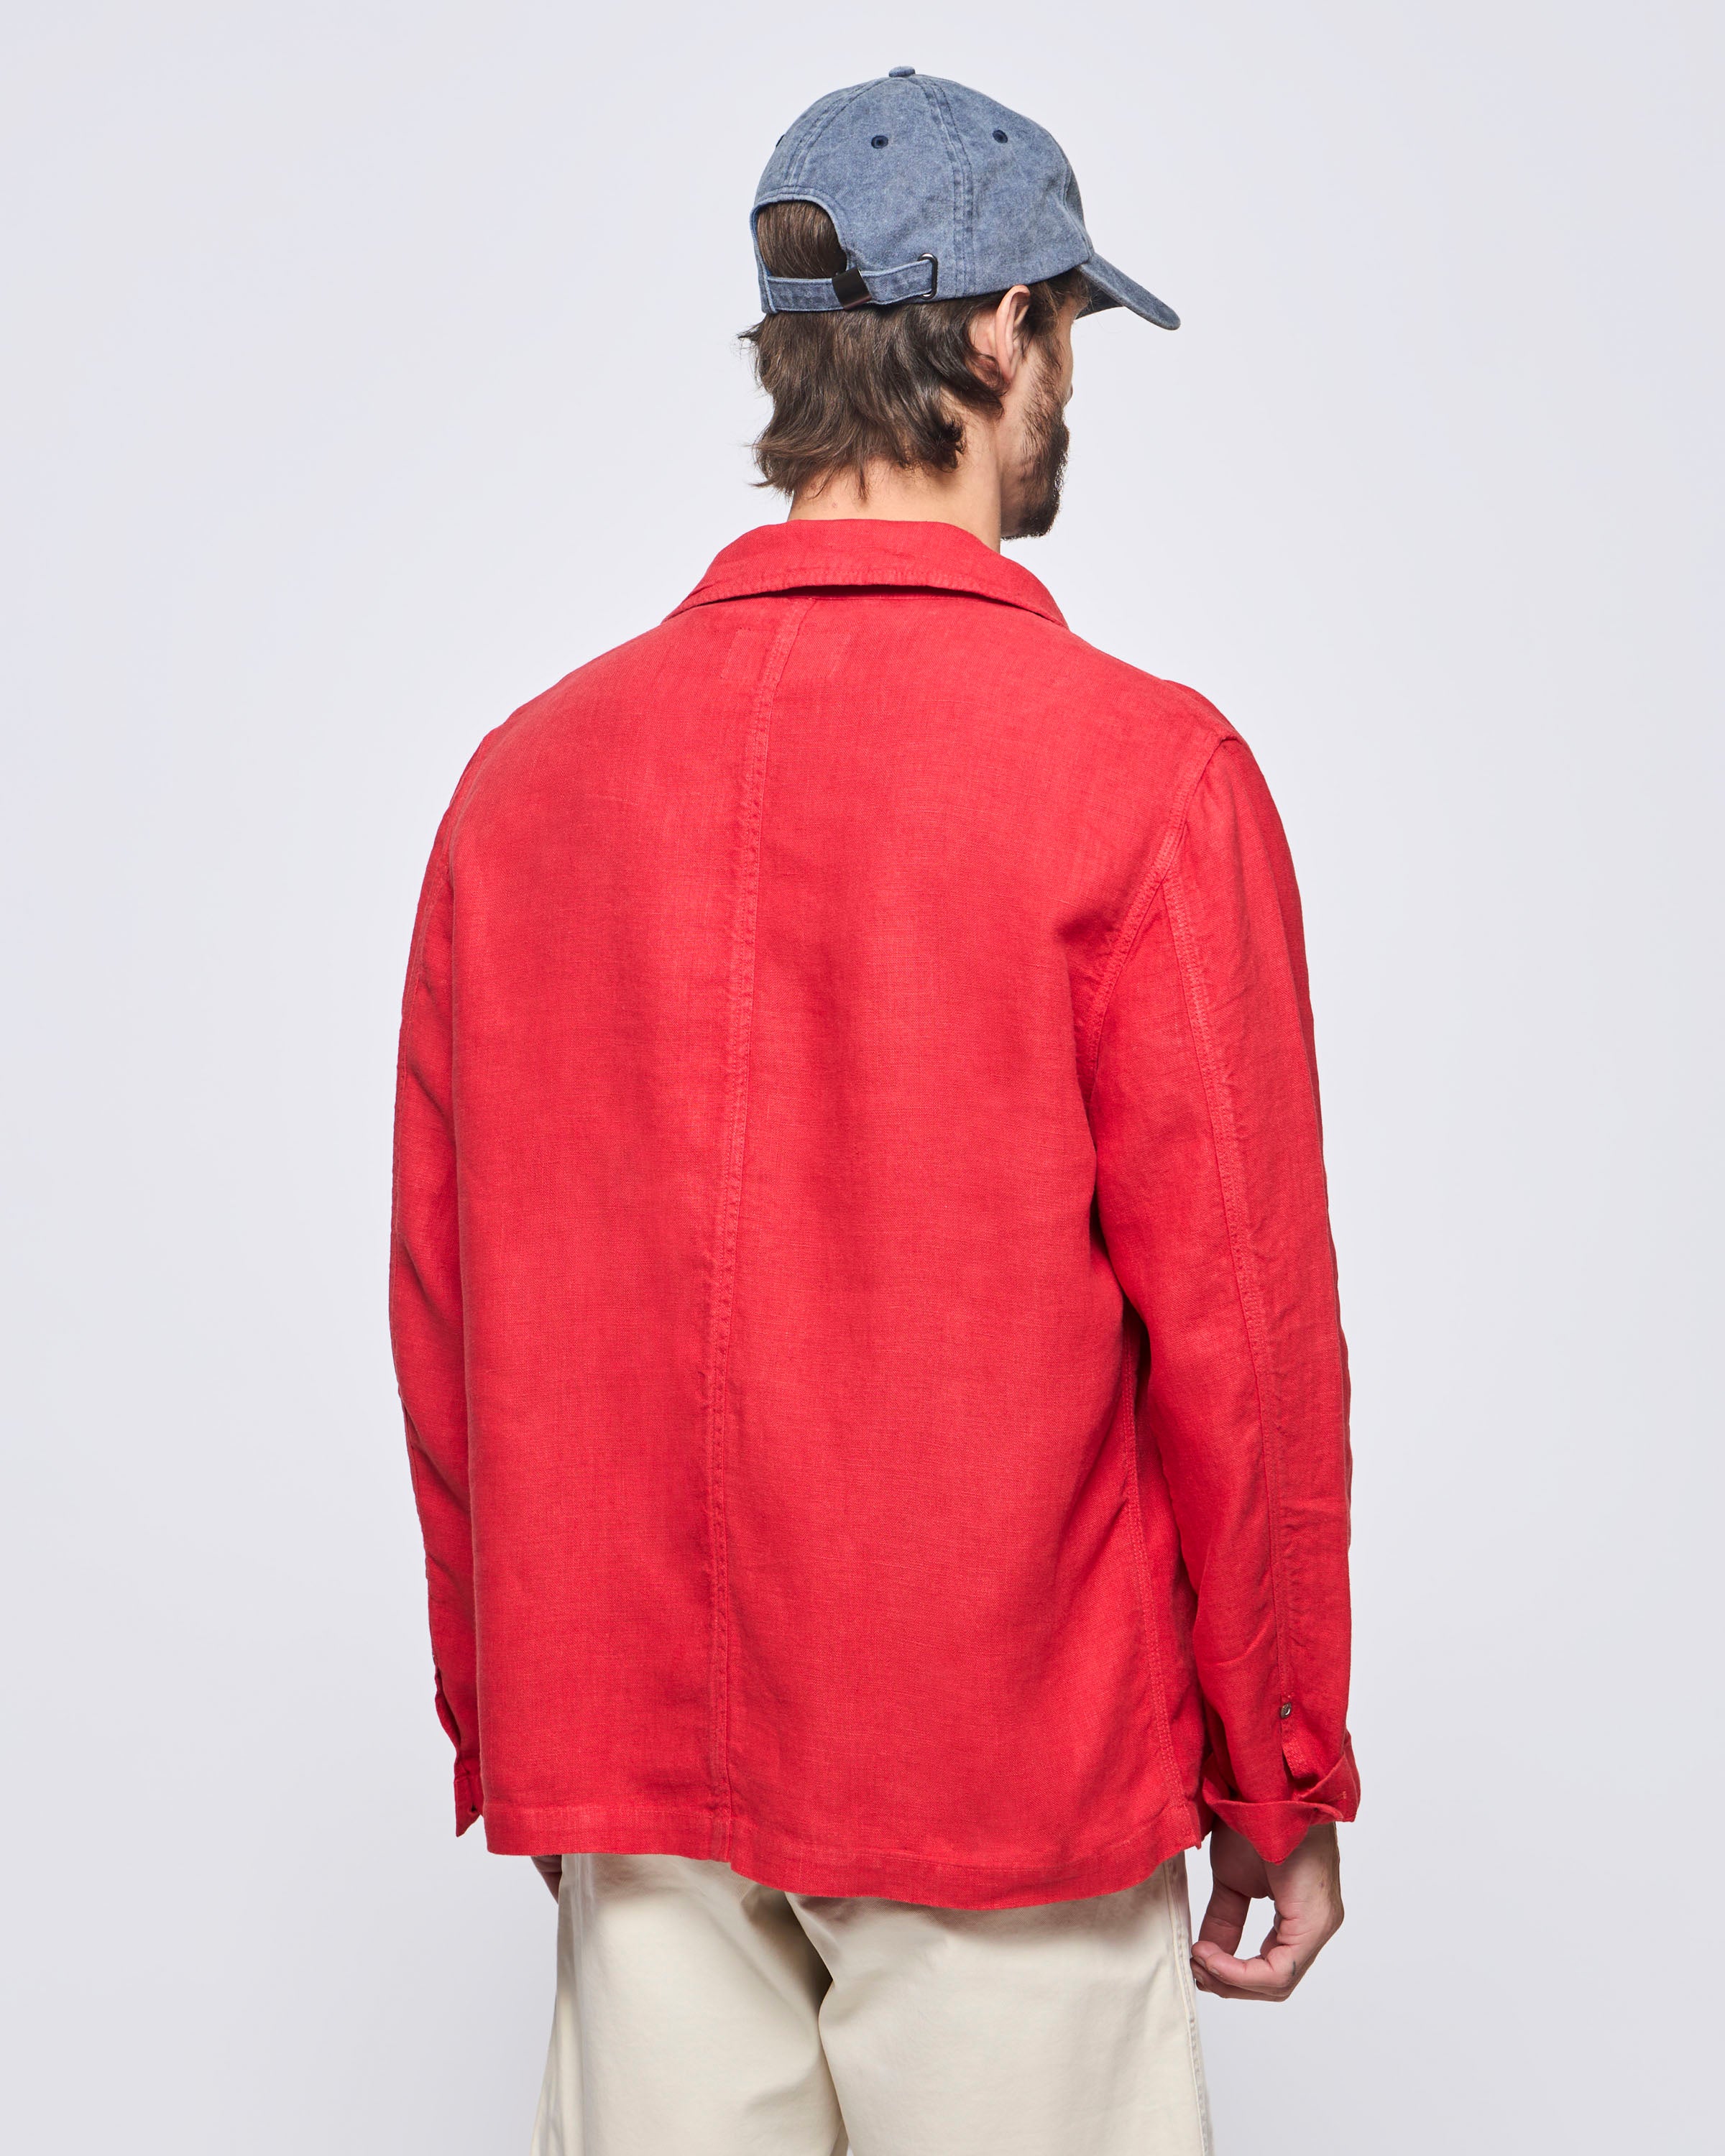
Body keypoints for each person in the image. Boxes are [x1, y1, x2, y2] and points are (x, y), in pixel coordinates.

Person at [390, 65, 1358, 2156]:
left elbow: (446, 1318)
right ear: (1002, 333)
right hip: (1007, 1773)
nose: (1067, 381)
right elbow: (1244, 1341)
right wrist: (1278, 1770)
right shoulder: (1144, 780)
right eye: (1068, 329)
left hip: (634, 1766)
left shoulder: (524, 788)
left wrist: (522, 1726)